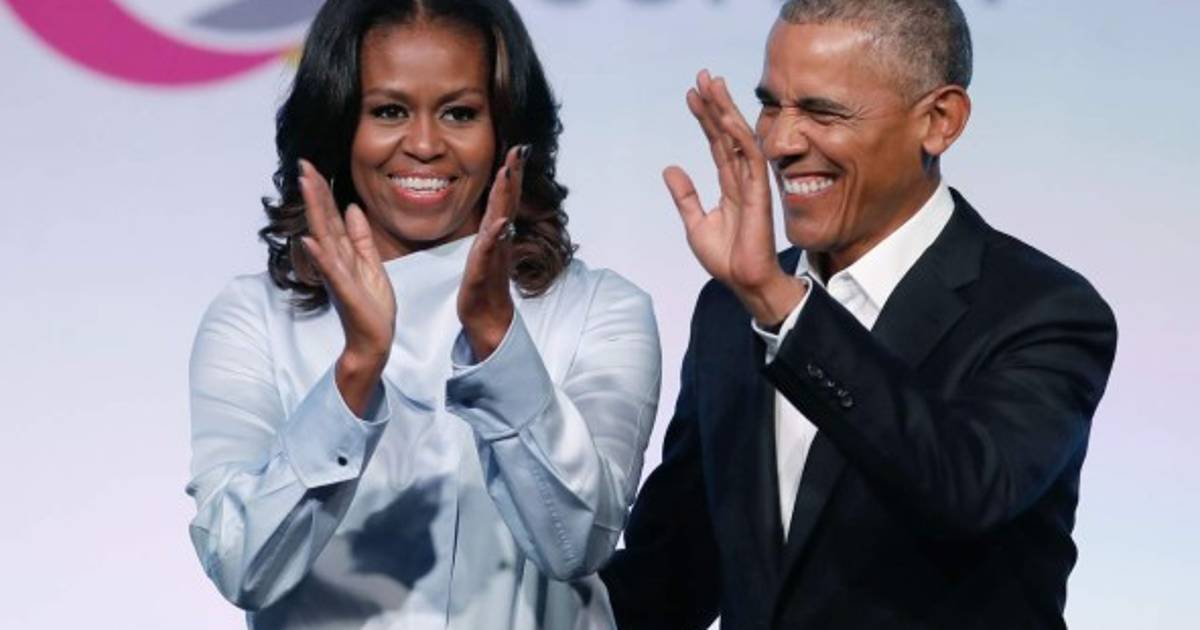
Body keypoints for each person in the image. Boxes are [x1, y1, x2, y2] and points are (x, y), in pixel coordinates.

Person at [600, 1, 1117, 628]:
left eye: (823, 112)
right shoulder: (730, 310)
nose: (778, 143)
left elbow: (966, 492)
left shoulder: (1044, 310)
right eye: (771, 106)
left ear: (940, 121)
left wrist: (782, 308)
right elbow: (671, 574)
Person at [185, 1, 660, 628]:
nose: (425, 145)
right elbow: (242, 565)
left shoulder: (601, 309)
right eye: (389, 111)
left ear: (507, 131)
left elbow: (574, 543)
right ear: (338, 124)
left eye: (460, 113)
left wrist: (496, 339)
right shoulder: (253, 318)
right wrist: (356, 372)